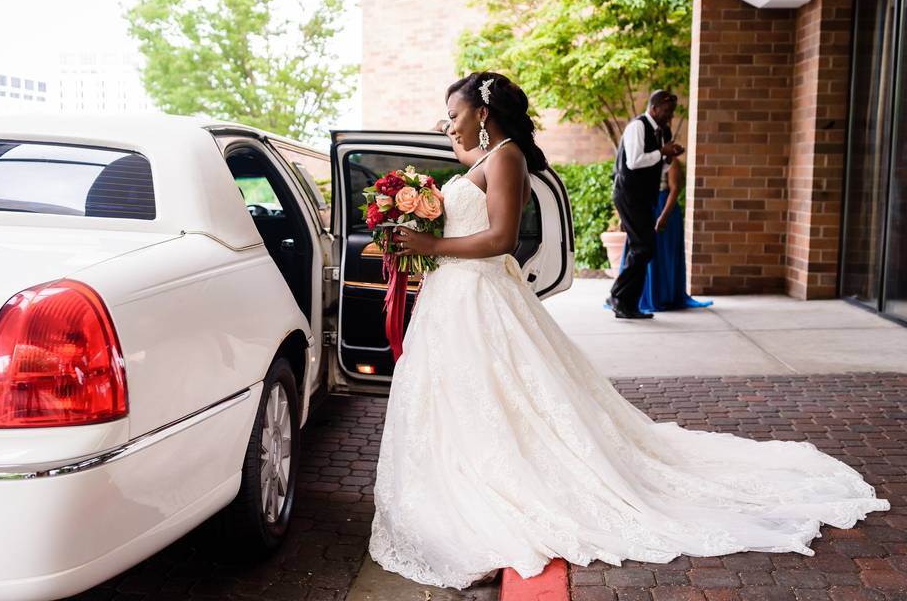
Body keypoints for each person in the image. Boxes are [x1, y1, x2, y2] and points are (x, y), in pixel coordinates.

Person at [371, 71, 889, 590]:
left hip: (480, 295)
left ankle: (490, 488)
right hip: (455, 297)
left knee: (499, 397)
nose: (449, 127)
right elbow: (467, 172)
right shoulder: (484, 157)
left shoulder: (506, 157)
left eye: (455, 116)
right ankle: (460, 481)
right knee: (459, 399)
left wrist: (430, 247)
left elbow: (503, 237)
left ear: (483, 114)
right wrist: (419, 186)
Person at [607, 91, 685, 319]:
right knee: (643, 247)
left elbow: (657, 168)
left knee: (639, 247)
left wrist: (668, 158)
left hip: (644, 196)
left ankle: (626, 303)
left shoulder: (664, 132)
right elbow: (634, 161)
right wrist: (662, 151)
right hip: (629, 194)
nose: (670, 117)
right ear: (654, 108)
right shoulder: (637, 127)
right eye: (667, 111)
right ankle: (619, 297)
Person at [615, 158, 713, 312]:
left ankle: (663, 296)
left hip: (663, 208)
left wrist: (664, 216)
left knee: (662, 254)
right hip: (644, 207)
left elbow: (674, 189)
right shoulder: (643, 158)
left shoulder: (671, 162)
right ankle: (628, 297)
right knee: (639, 253)